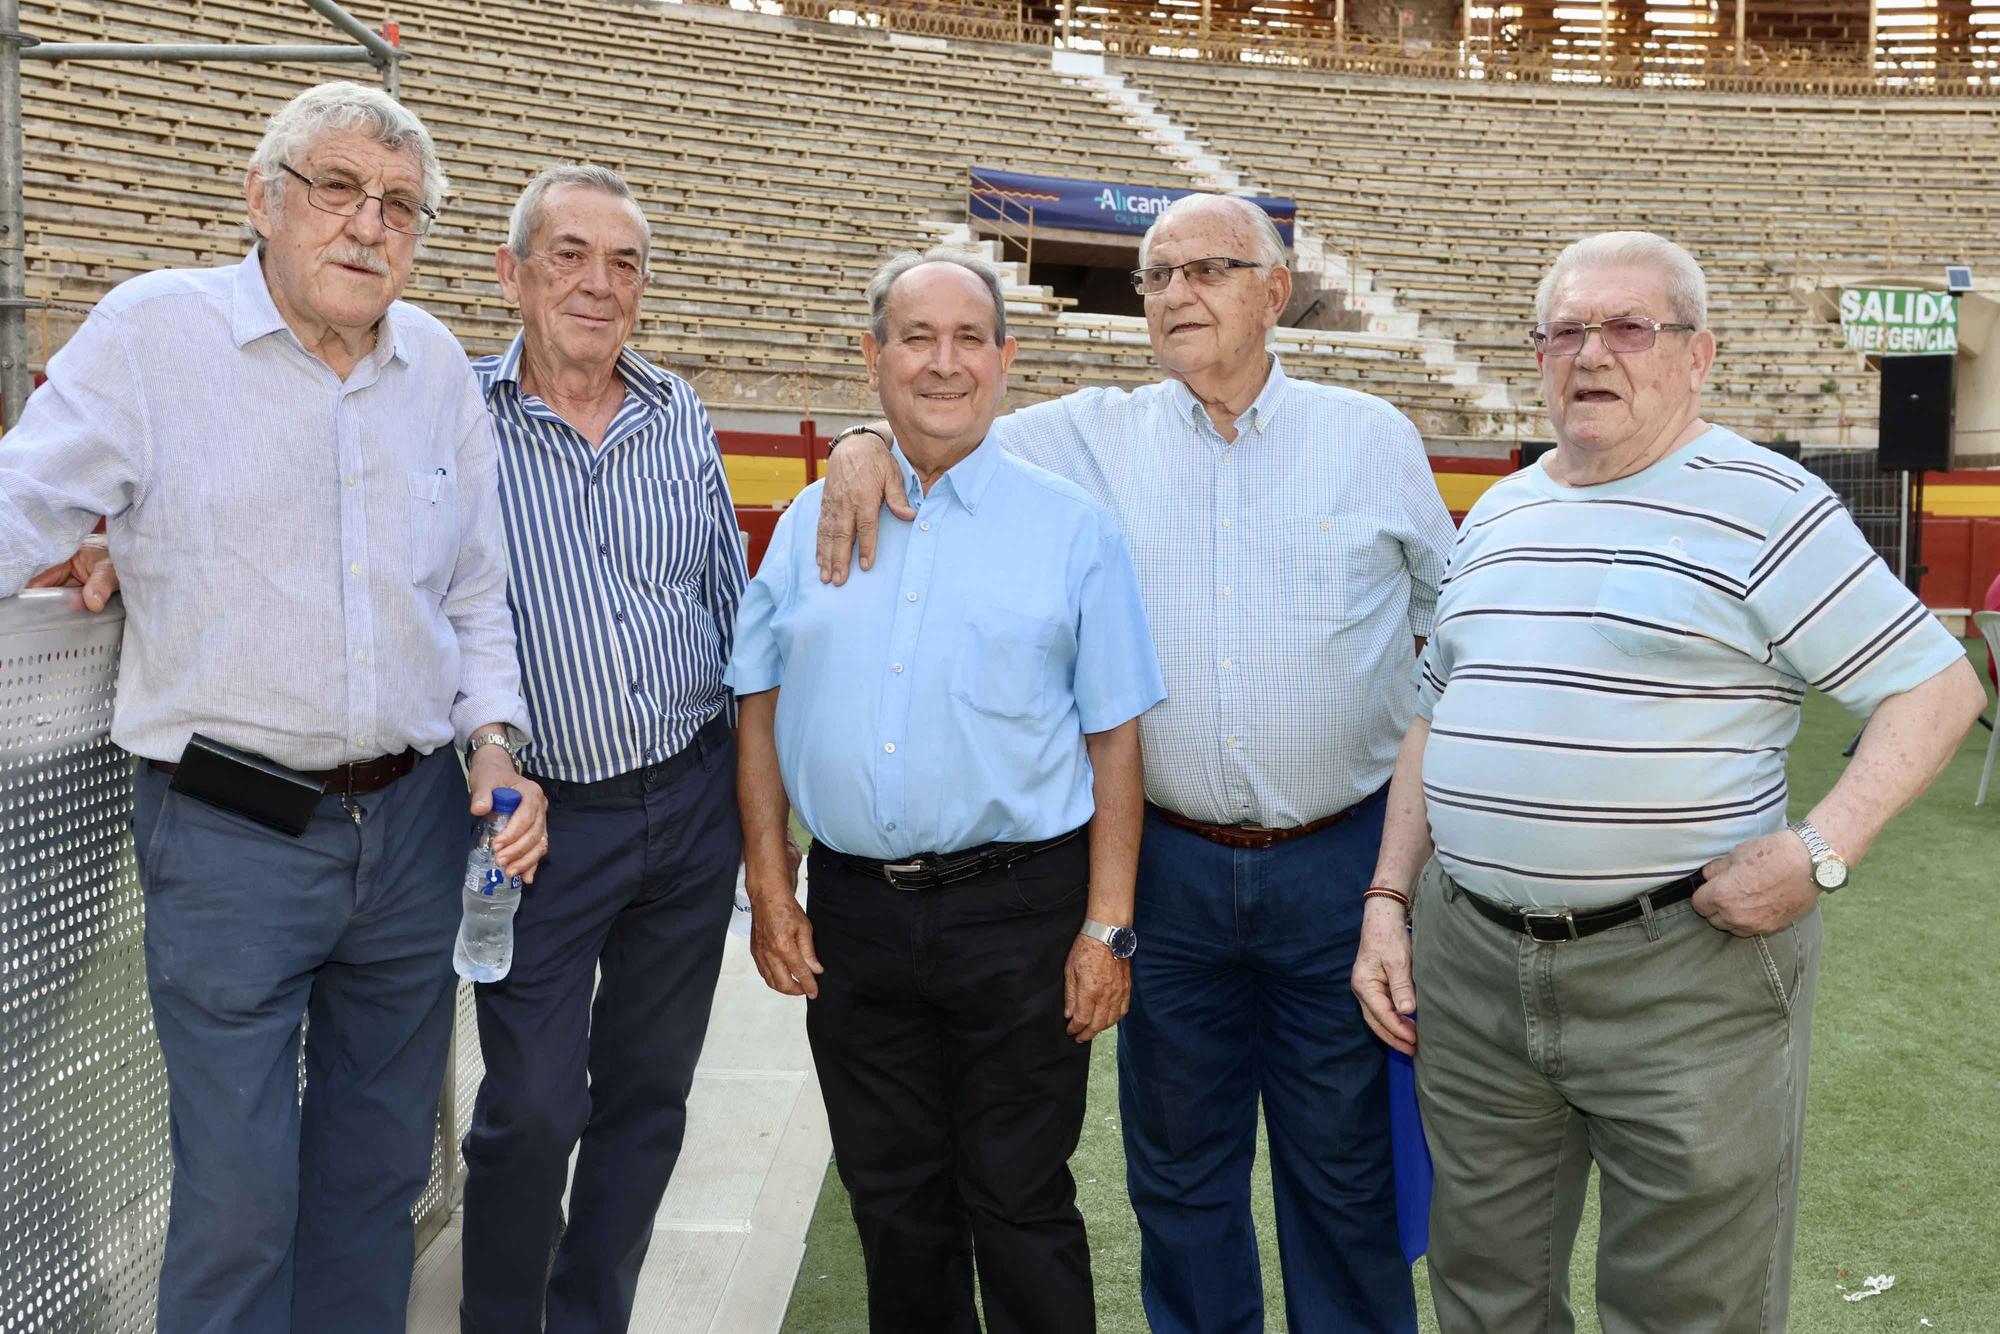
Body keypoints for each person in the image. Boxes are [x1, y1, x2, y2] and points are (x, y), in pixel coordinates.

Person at [817, 194, 1448, 1332]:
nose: (1172, 294)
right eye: (1154, 277)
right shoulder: (1086, 432)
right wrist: (861, 441)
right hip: (1169, 870)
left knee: (1342, 1171)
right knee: (1179, 1173)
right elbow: (935, 412)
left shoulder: (1372, 437)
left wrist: (1399, 875)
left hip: (1336, 862)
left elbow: (1444, 632)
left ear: (1276, 289)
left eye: (1205, 268)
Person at [1351, 230, 1986, 1332]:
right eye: (1563, 331)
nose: (1589, 353)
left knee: (1688, 1306)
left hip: (1681, 968)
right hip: (1472, 966)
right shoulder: (1501, 510)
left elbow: (1935, 689)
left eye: (1628, 326)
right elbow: (1432, 714)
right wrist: (1388, 900)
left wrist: (1816, 846)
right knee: (1483, 1289)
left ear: (1697, 356)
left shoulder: (1765, 502)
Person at [0, 82, 547, 1332]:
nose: (369, 226)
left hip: (410, 832)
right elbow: (22, 500)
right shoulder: (154, 333)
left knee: (374, 1177)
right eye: (339, 189)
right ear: (265, 198)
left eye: (400, 206)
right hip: (229, 831)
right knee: (240, 1198)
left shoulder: (435, 379)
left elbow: (473, 597)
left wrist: (496, 743)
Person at [731, 249, 1164, 1333]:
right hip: (858, 915)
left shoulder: (1072, 527)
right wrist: (773, 890)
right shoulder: (805, 525)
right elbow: (758, 705)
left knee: (1017, 1198)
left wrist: (1106, 927)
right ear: (871, 360)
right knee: (891, 1202)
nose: (943, 362)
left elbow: (1116, 737)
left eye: (969, 337)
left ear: (1007, 361)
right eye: (916, 337)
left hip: (1017, 909)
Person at [455, 165, 748, 1334]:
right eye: (568, 254)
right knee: (528, 1105)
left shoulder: (678, 413)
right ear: (512, 273)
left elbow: (728, 607)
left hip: (684, 802)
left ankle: (591, 1318)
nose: (597, 283)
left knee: (646, 1095)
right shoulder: (455, 417)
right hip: (539, 823)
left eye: (623, 263)